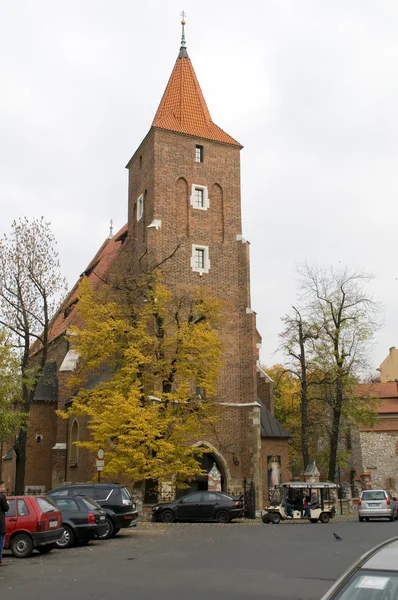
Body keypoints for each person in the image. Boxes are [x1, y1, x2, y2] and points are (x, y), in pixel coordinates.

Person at [0, 481, 9, 566]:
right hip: (0, 523)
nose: (3, 488)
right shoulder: (2, 496)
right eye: (2, 486)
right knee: (1, 541)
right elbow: (6, 508)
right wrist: (7, 503)